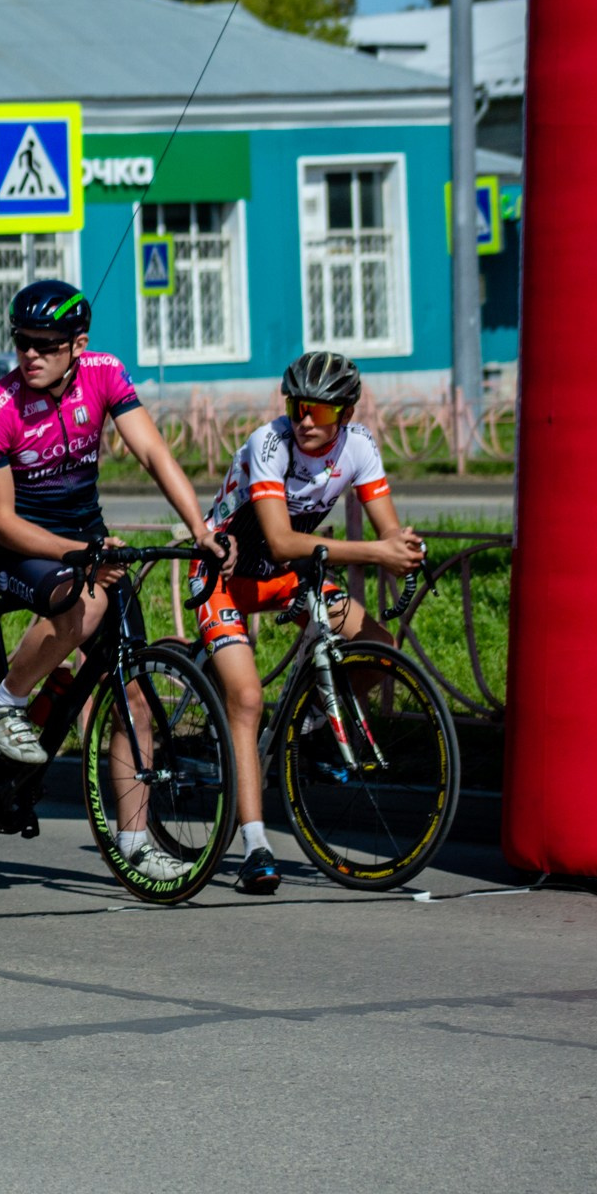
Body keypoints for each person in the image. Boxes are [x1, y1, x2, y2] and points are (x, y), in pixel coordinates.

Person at [0, 279, 228, 883]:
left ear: (77, 345)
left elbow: (155, 454)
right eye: (22, 342)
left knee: (131, 692)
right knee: (82, 603)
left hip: (90, 540)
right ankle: (6, 703)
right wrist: (81, 551)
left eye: (47, 344)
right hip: (23, 547)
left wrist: (201, 528)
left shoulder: (104, 373)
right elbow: (1, 522)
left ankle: (135, 842)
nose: (30, 354)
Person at [200, 352, 423, 895]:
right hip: (224, 576)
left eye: (320, 412)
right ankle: (255, 847)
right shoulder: (269, 445)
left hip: (289, 578)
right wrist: (376, 552)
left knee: (378, 646)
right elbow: (279, 540)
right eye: (298, 406)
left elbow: (388, 533)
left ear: (344, 414)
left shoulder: (361, 447)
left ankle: (309, 727)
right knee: (248, 698)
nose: (305, 420)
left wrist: (407, 551)